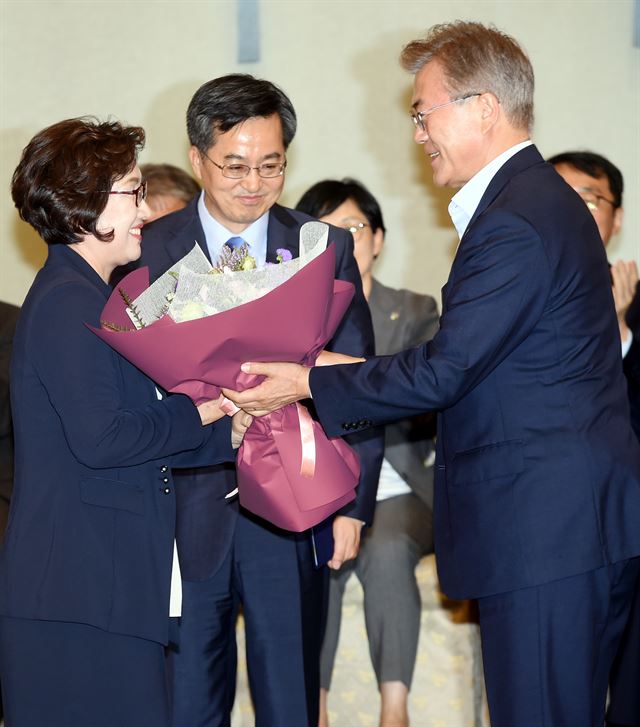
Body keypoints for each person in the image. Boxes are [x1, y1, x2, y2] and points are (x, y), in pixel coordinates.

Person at [224, 21, 640, 727]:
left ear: (482, 108)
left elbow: (445, 370)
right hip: (567, 523)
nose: (417, 132)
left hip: (547, 529)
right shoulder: (535, 204)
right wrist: (332, 366)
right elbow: (475, 364)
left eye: (424, 112)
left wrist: (307, 381)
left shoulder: (517, 218)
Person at [133, 75, 382, 727]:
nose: (253, 182)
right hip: (184, 509)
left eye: (270, 165)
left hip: (294, 503)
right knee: (187, 700)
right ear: (197, 159)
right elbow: (132, 382)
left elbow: (360, 382)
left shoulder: (323, 248)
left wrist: (353, 507)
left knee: (290, 696)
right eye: (234, 165)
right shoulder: (150, 248)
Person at [0, 117, 250, 727]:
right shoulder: (67, 303)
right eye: (132, 191)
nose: (144, 209)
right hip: (78, 592)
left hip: (102, 586)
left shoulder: (92, 298)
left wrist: (225, 426)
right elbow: (104, 438)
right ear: (86, 203)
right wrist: (202, 411)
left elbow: (138, 431)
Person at [296, 179, 438, 727]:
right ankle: (318, 707)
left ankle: (394, 710)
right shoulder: (295, 316)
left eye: (353, 228)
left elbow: (422, 397)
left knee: (384, 548)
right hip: (320, 483)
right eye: (327, 230)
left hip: (400, 482)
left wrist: (341, 378)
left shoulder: (416, 310)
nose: (343, 239)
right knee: (321, 557)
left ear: (377, 239)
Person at [549, 151, 640, 727]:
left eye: (589, 197)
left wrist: (622, 329)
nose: (575, 210)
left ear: (617, 216)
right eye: (561, 197)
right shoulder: (519, 295)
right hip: (552, 519)